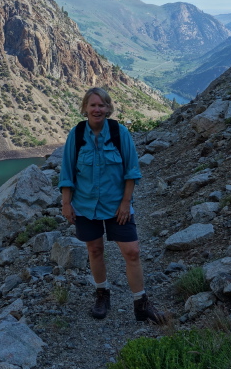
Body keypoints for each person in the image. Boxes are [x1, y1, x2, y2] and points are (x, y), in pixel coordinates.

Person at [58, 87, 168, 324]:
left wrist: (126, 203)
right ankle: (102, 294)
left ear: (108, 108)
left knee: (132, 251)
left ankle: (141, 302)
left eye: (102, 105)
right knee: (95, 250)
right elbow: (67, 172)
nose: (97, 109)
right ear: (85, 108)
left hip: (117, 206)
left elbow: (132, 171)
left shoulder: (120, 133)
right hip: (86, 206)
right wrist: (66, 203)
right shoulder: (76, 135)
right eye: (93, 105)